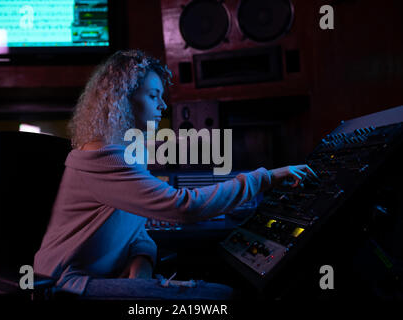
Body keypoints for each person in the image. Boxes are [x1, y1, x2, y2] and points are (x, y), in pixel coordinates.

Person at [34, 50, 317, 299]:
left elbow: (134, 228)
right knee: (223, 296)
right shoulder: (103, 158)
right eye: (153, 96)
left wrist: (142, 261)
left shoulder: (123, 153)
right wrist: (264, 178)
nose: (163, 106)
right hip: (63, 285)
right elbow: (184, 206)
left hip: (92, 278)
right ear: (121, 100)